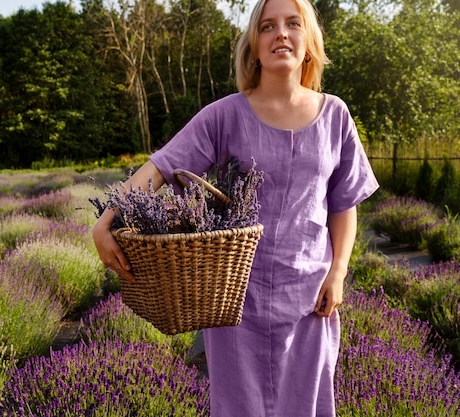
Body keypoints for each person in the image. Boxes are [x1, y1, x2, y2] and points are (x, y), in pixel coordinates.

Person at [92, 0, 379, 414]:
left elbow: (343, 202)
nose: (281, 33)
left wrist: (338, 272)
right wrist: (105, 222)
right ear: (255, 46)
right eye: (268, 26)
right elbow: (162, 165)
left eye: (293, 23)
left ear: (310, 41)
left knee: (307, 405)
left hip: (310, 300)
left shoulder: (335, 115)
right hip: (234, 301)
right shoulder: (224, 115)